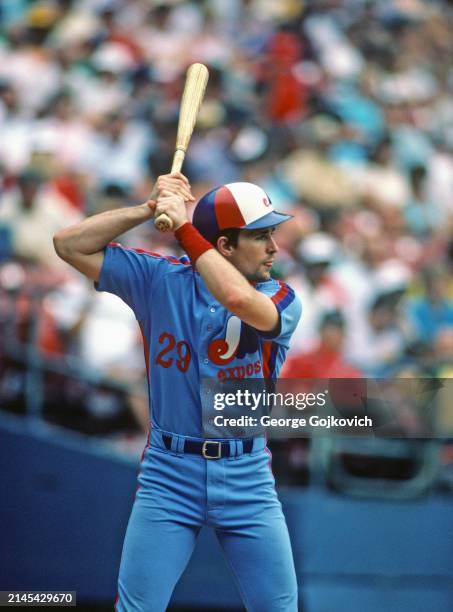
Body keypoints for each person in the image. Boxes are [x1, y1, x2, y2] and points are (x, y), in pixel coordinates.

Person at [53, 172, 302, 612]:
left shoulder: (280, 295)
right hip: (170, 475)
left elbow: (241, 304)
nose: (273, 247)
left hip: (248, 476)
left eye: (272, 234)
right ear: (225, 245)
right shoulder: (158, 278)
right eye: (260, 235)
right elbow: (68, 244)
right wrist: (146, 209)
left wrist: (184, 229)